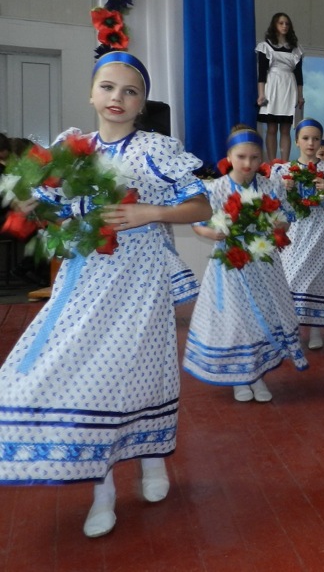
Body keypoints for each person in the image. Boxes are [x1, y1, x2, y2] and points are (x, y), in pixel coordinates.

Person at [0, 51, 211, 538]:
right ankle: (103, 487)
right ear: (91, 93)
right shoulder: (68, 149)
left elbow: (199, 204)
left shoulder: (156, 149)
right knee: (83, 374)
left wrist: (150, 214)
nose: (118, 98)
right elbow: (52, 212)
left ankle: (152, 459)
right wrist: (28, 199)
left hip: (139, 282)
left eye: (130, 90)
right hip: (84, 280)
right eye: (109, 87)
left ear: (142, 103)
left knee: (138, 371)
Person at [183, 126, 308, 402]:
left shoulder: (270, 185)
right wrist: (212, 232)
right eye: (241, 156)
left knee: (261, 316)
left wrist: (278, 224)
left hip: (264, 264)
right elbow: (198, 223)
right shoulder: (216, 188)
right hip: (230, 264)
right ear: (229, 156)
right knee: (238, 318)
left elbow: (286, 217)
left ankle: (258, 375)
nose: (248, 163)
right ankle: (240, 379)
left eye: (254, 157)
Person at [271, 119, 324, 350]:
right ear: (296, 141)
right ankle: (290, 330)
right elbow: (274, 203)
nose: (311, 143)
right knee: (289, 276)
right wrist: (284, 191)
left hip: (320, 230)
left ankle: (315, 330)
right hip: (294, 230)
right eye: (305, 138)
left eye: (316, 138)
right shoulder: (283, 171)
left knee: (317, 278)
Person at [256, 12, 304, 162]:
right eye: (281, 23)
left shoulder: (296, 49)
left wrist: (300, 95)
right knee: (271, 128)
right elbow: (262, 73)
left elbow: (299, 75)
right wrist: (261, 94)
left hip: (289, 87)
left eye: (287, 24)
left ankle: (284, 164)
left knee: (285, 129)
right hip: (272, 86)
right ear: (274, 25)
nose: (284, 26)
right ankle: (271, 164)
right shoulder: (265, 47)